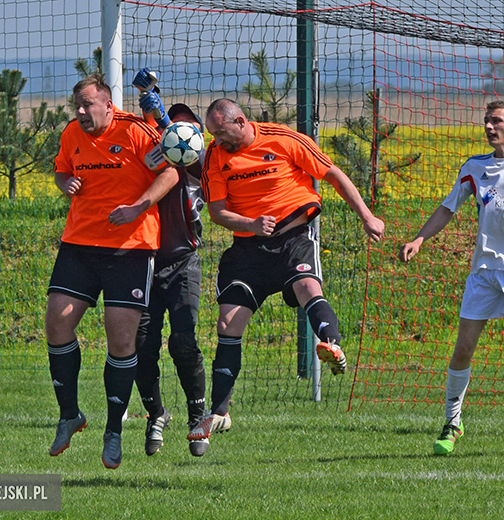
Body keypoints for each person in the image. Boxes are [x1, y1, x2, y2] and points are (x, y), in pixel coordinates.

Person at [187, 98, 384, 444]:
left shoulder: (284, 139)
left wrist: (367, 216)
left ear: (241, 120)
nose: (217, 141)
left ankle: (332, 346)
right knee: (227, 322)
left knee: (308, 287)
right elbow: (217, 212)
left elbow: (333, 174)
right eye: (212, 135)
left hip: (294, 238)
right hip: (249, 248)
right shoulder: (216, 159)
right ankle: (218, 412)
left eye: (221, 133)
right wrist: (251, 222)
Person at [398, 100, 504, 458]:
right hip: (483, 272)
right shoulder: (474, 168)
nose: (490, 127)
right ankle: (452, 423)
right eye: (486, 122)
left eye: (497, 121)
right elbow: (448, 207)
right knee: (463, 348)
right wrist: (419, 238)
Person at [46, 73, 177, 470]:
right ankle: (70, 414)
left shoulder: (137, 131)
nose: (82, 113)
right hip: (79, 245)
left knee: (120, 340)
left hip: (130, 249)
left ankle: (114, 430)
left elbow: (170, 172)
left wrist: (138, 206)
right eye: (78, 107)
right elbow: (60, 170)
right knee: (57, 323)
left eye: (88, 105)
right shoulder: (72, 134)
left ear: (108, 104)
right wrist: (64, 180)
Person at [130, 70, 210, 458]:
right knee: (141, 345)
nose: (179, 131)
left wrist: (163, 117)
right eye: (172, 124)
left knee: (183, 340)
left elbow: (188, 154)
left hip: (183, 263)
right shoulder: (154, 154)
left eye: (186, 125)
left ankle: (198, 415)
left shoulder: (202, 164)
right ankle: (155, 413)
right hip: (142, 261)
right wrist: (150, 103)